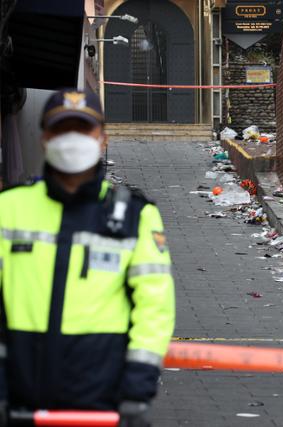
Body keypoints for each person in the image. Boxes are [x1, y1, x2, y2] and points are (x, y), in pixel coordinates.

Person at [0, 89, 175, 427]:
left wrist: (136, 393)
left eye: (83, 129)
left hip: (100, 402)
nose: (72, 139)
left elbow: (155, 309)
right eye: (62, 130)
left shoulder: (134, 216)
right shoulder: (9, 209)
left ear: (102, 139)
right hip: (18, 400)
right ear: (44, 139)